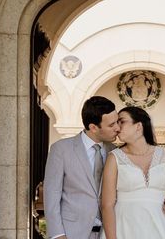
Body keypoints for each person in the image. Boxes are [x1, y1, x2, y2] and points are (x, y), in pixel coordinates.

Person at [101, 106, 165, 239]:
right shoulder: (114, 158)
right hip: (124, 228)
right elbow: (107, 205)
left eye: (121, 121)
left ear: (138, 126)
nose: (117, 127)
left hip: (159, 228)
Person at [44, 96, 120, 239]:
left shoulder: (116, 152)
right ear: (93, 127)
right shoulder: (61, 149)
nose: (117, 128)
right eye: (111, 125)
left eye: (117, 122)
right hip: (71, 232)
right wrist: (58, 235)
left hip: (108, 233)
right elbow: (52, 195)